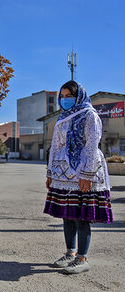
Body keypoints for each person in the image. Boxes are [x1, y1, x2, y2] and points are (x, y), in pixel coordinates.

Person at [44, 81, 113, 274]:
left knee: (82, 218)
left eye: (69, 96)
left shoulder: (90, 115)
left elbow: (92, 146)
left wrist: (87, 175)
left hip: (84, 171)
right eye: (62, 97)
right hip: (63, 175)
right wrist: (50, 172)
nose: (65, 100)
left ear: (79, 96)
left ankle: (82, 258)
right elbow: (55, 147)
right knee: (67, 216)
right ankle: (70, 254)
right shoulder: (62, 118)